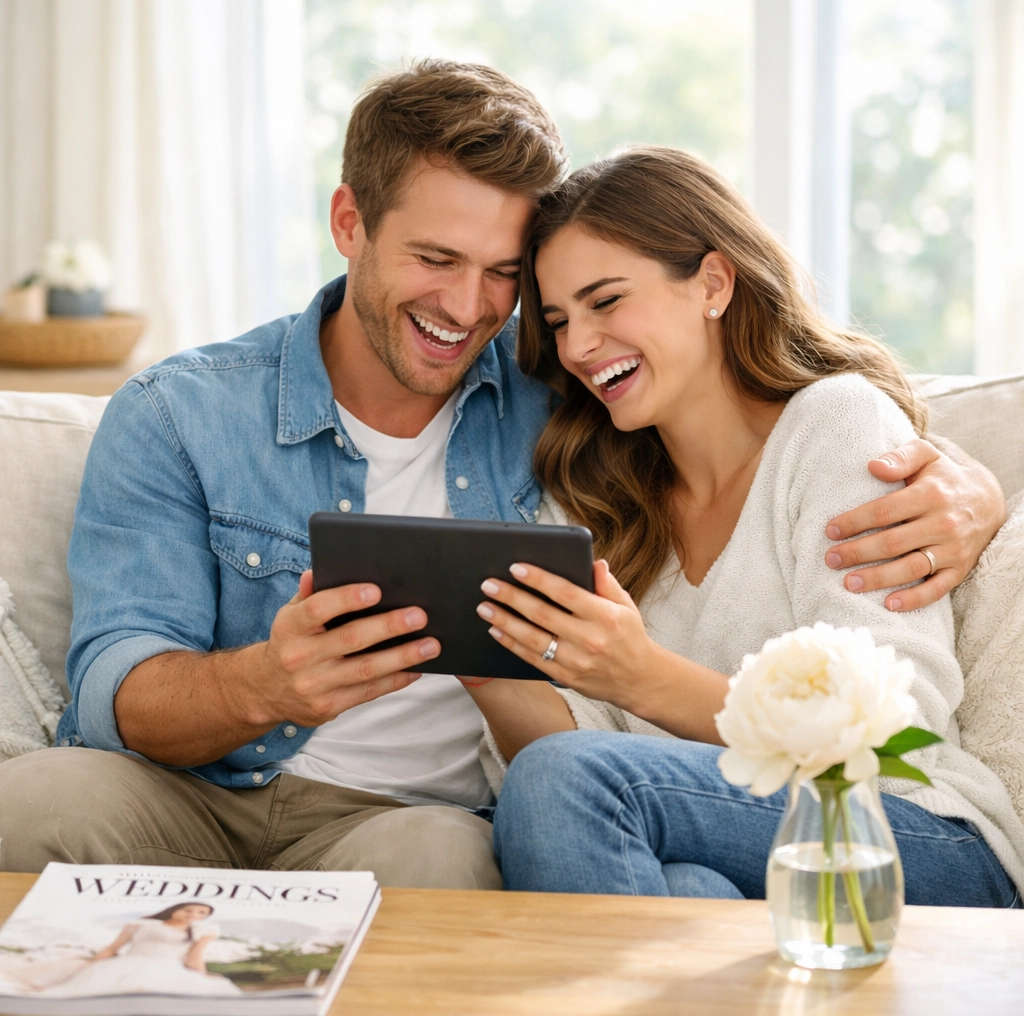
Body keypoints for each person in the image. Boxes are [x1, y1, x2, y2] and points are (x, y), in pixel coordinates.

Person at [0, 61, 1005, 885]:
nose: (472, 307)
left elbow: (787, 413)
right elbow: (109, 687)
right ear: (349, 223)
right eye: (436, 257)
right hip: (203, 790)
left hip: (423, 821)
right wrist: (276, 679)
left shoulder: (575, 406)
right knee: (32, 799)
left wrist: (979, 491)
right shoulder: (184, 412)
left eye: (505, 277)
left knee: (482, 839)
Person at [464, 147, 1024, 907]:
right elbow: (562, 790)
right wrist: (488, 670)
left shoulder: (836, 424)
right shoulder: (594, 496)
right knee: (689, 890)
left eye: (606, 301)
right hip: (732, 849)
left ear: (714, 284)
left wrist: (642, 677)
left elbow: (892, 730)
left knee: (572, 780)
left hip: (905, 831)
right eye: (559, 321)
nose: (578, 347)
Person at [38, 903, 241, 997]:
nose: (193, 914)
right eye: (188, 909)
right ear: (175, 909)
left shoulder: (201, 931)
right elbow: (113, 948)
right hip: (127, 962)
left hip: (168, 968)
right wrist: (90, 963)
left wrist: (201, 975)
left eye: (201, 913)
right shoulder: (140, 924)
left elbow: (193, 960)